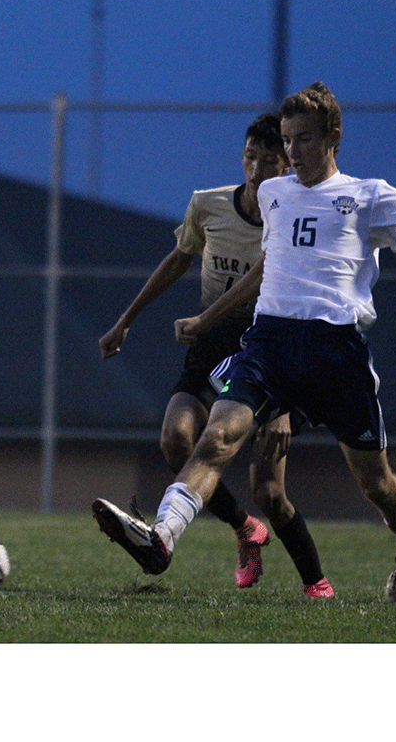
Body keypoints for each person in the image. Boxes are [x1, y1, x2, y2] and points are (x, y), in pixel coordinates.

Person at [94, 81, 396, 602]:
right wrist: (208, 318)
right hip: (268, 341)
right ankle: (162, 538)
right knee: (216, 438)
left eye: (303, 139)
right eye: (287, 140)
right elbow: (268, 269)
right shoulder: (275, 194)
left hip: (336, 351)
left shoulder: (370, 196)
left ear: (332, 137)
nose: (291, 151)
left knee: (377, 485)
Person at [95, 113, 334, 598]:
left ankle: (316, 582)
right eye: (251, 156)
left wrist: (284, 407)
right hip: (211, 350)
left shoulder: (294, 218)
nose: (257, 168)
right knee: (175, 440)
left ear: (287, 166)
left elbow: (301, 303)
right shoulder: (208, 205)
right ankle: (243, 528)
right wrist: (126, 319)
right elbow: (179, 259)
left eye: (270, 160)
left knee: (270, 491)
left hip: (269, 353)